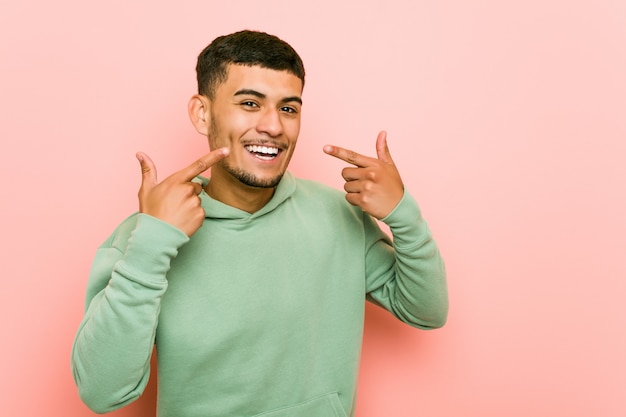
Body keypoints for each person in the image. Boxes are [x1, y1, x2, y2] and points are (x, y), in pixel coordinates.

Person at [71, 30, 448, 417]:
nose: (273, 126)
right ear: (202, 114)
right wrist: (151, 243)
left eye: (288, 108)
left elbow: (426, 311)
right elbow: (102, 392)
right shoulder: (147, 234)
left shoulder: (338, 214)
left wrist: (401, 213)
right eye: (250, 103)